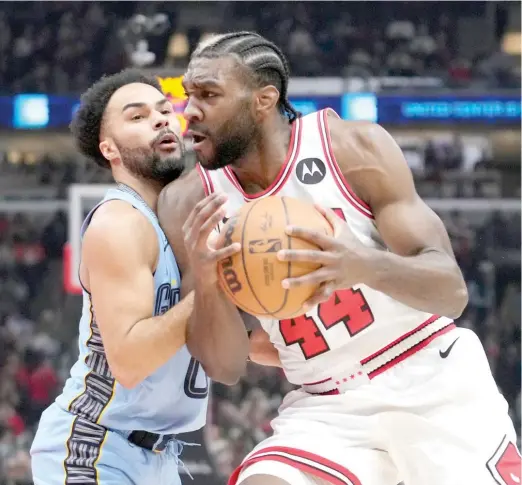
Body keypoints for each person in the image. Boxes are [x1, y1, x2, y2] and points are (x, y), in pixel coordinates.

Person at [158, 32, 522, 485]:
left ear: (263, 100)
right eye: (188, 94)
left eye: (208, 94)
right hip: (327, 405)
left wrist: (362, 264)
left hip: (431, 378)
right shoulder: (188, 204)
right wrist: (207, 280)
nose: (189, 109)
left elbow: (450, 292)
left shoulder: (352, 149)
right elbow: (227, 367)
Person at [30, 69, 233, 485]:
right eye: (137, 117)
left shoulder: (182, 225)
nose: (161, 119)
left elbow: (226, 355)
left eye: (163, 110)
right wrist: (217, 283)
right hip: (95, 447)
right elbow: (129, 360)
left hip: (160, 455)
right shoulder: (118, 223)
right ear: (110, 149)